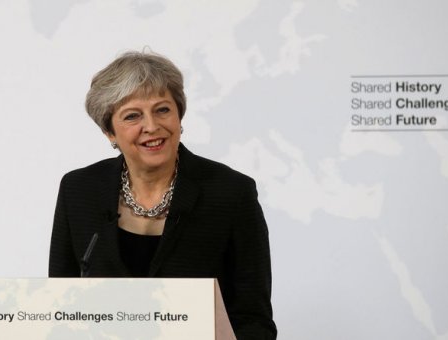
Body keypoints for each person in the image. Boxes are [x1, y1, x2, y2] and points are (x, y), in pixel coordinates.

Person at [49, 51, 277, 339]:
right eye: (132, 116)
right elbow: (57, 306)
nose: (152, 126)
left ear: (179, 115)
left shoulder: (231, 192)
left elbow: (253, 318)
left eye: (162, 110)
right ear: (110, 132)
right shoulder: (78, 190)